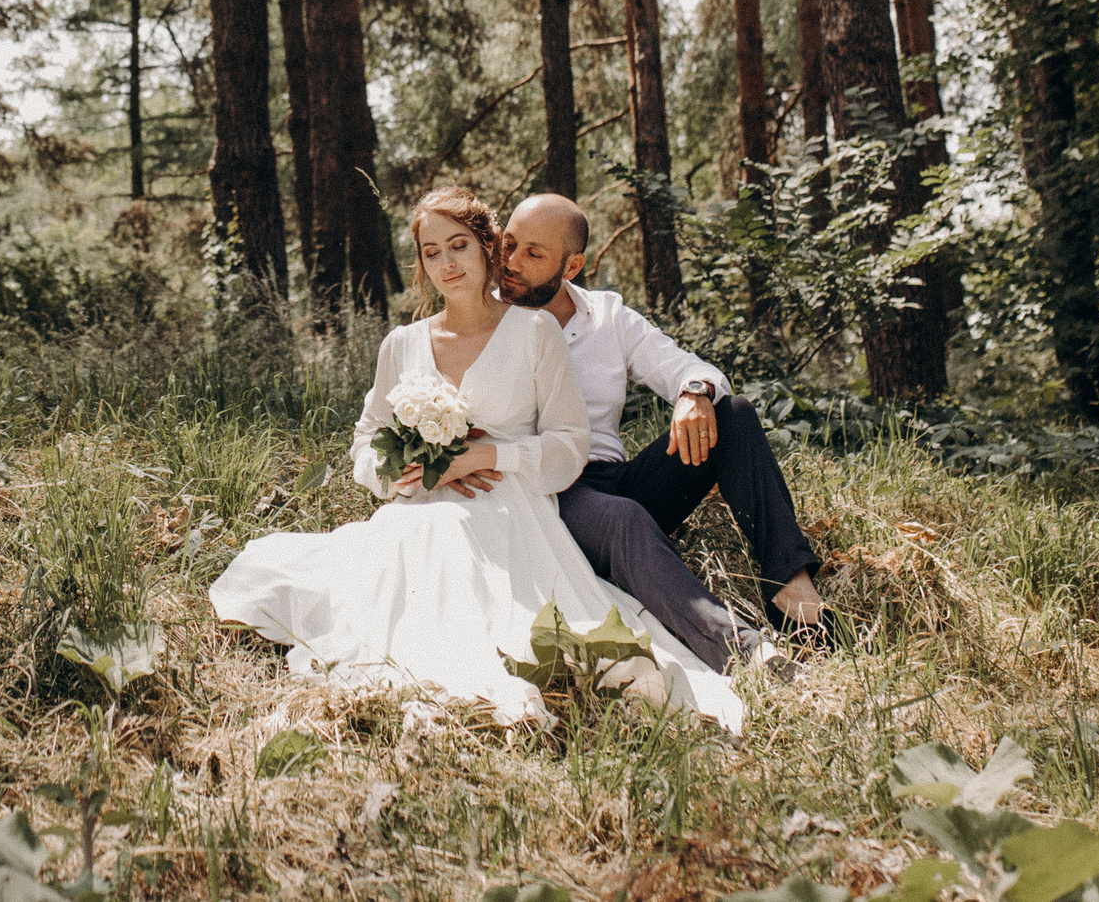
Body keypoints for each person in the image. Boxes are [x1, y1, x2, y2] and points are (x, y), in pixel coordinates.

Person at [208, 188, 744, 729]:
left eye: (459, 245)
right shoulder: (402, 343)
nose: (446, 263)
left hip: (510, 505)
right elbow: (366, 440)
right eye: (431, 252)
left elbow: (568, 447)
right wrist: (394, 472)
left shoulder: (535, 332)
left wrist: (485, 457)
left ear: (489, 248)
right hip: (418, 506)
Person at [451, 192, 826, 677]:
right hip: (550, 493)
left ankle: (791, 587)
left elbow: (686, 367)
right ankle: (745, 654)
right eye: (509, 244)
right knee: (624, 518)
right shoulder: (486, 318)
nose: (511, 263)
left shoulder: (606, 316)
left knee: (732, 412)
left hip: (617, 477)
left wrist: (693, 393)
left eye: (534, 253)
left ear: (573, 265)